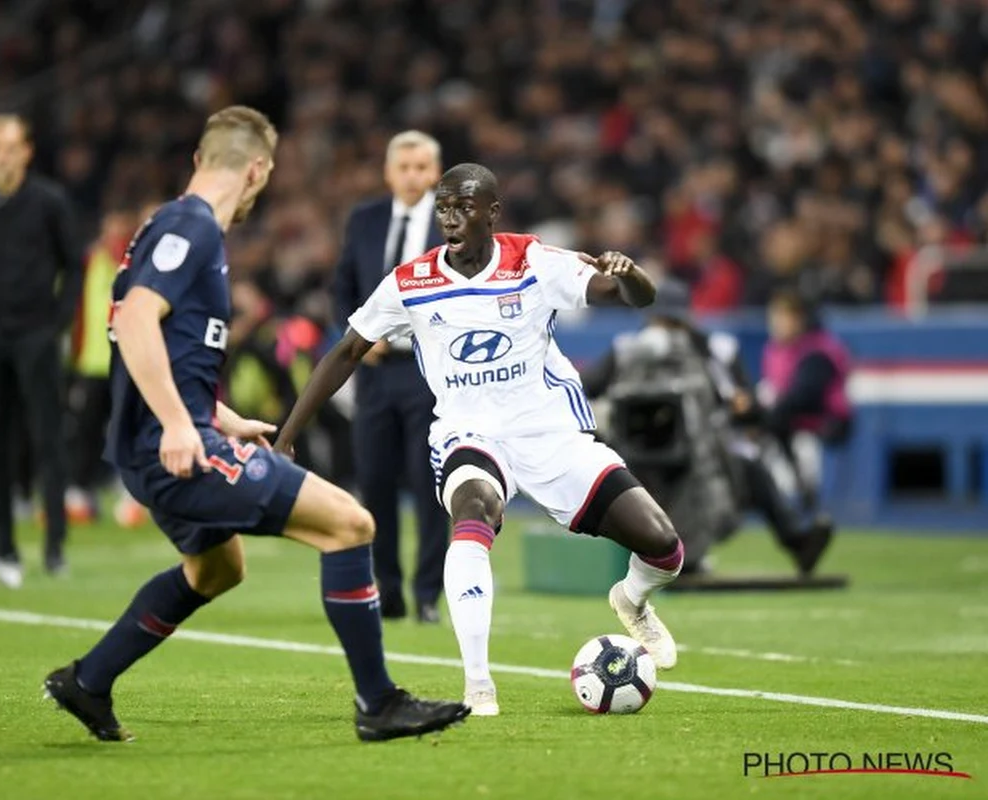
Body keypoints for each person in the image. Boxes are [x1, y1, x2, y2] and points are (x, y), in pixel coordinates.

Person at [42, 106, 470, 744]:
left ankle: (89, 681)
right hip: (173, 447)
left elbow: (155, 341)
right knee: (351, 525)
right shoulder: (191, 227)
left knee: (218, 570)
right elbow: (132, 323)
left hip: (159, 442)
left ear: (199, 159)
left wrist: (221, 416)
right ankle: (379, 704)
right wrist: (182, 427)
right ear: (258, 170)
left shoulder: (167, 227)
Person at [274, 163, 684, 717]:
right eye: (443, 208)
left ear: (492, 212)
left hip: (550, 434)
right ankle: (478, 684)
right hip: (470, 433)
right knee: (472, 512)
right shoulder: (411, 282)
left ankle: (632, 600)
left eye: (463, 207)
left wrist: (630, 272)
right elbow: (346, 351)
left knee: (663, 546)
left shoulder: (533, 261)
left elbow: (632, 296)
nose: (450, 218)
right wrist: (286, 437)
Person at [582, 280, 834, 575]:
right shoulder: (627, 350)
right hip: (638, 458)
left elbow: (744, 407)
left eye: (672, 322)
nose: (666, 332)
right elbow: (582, 392)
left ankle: (798, 542)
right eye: (661, 321)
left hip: (703, 454)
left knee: (751, 467)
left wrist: (743, 408)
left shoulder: (716, 351)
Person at [0, 114, 83, 587]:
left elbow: (75, 264)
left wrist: (57, 323)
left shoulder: (49, 202)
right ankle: (2, 547)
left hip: (35, 335)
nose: (1, 156)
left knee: (47, 439)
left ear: (27, 151)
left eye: (10, 147)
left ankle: (54, 548)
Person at [330, 130, 449, 623]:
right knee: (375, 481)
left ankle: (427, 595)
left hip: (429, 371)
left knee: (429, 485)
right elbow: (343, 286)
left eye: (422, 167)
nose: (413, 176)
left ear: (436, 173)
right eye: (404, 167)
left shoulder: (451, 223)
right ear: (388, 172)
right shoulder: (365, 219)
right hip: (376, 373)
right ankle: (389, 590)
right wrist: (359, 333)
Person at [65, 204, 138, 523]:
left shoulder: (136, 264)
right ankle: (81, 492)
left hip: (127, 360)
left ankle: (130, 493)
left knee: (126, 429)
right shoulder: (90, 262)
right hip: (93, 362)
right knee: (87, 430)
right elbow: (78, 308)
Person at [759, 290, 853, 511]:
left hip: (822, 427)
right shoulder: (774, 350)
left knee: (793, 440)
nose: (777, 324)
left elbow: (805, 397)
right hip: (787, 425)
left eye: (784, 317)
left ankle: (803, 492)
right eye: (775, 317)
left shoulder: (817, 351)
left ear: (799, 320)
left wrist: (765, 414)